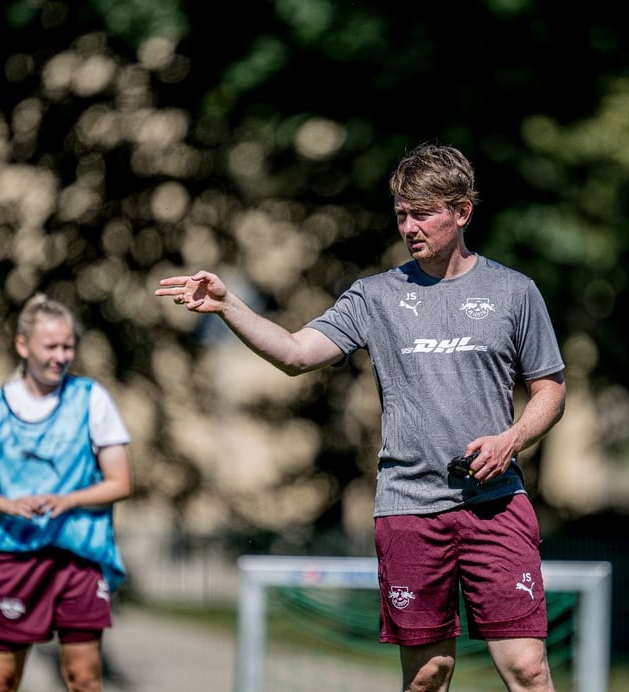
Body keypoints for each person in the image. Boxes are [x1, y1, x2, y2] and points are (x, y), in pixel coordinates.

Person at [156, 142, 566, 692]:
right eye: (401, 214)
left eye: (422, 213)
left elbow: (551, 391)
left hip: (495, 505)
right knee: (428, 675)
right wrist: (230, 306)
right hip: (408, 508)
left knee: (527, 669)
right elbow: (296, 354)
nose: (409, 227)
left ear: (462, 211)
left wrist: (511, 438)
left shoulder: (515, 292)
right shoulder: (375, 296)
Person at [0, 294, 132, 692]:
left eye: (68, 346)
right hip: (16, 556)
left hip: (80, 556)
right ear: (23, 345)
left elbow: (120, 482)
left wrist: (68, 500)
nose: (61, 355)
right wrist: (6, 504)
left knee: (83, 678)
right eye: (50, 346)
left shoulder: (92, 400)